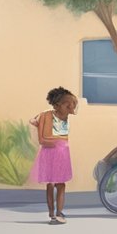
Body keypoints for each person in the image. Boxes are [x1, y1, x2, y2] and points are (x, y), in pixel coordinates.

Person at [30, 87, 77, 224]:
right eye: (66, 103)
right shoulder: (46, 115)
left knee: (61, 184)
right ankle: (52, 213)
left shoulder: (68, 115)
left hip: (62, 153)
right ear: (56, 105)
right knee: (50, 183)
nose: (71, 106)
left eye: (72, 103)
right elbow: (42, 139)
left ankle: (59, 212)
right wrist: (58, 142)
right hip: (50, 153)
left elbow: (74, 107)